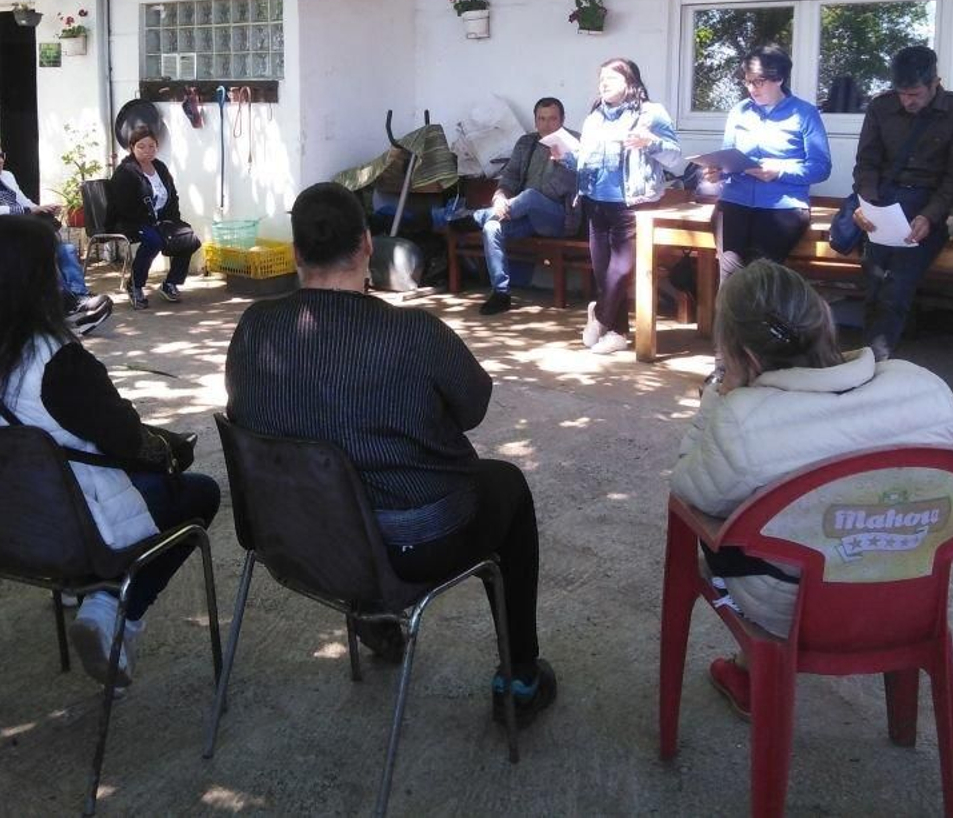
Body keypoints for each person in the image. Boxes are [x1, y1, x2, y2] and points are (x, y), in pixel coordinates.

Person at [225, 181, 557, 725]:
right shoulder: (412, 333)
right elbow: (472, 406)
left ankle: (374, 618)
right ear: (365, 247)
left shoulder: (253, 327)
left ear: (295, 252)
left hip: (288, 534)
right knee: (507, 487)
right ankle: (519, 676)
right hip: (405, 545)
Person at [0, 214, 221, 688]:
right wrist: (166, 450)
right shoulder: (54, 359)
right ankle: (114, 613)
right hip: (67, 530)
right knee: (197, 492)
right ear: (37, 279)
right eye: (56, 263)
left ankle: (96, 599)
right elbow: (124, 440)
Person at [669, 259, 953, 718]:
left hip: (794, 609)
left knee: (731, 521)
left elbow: (690, 489)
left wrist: (717, 395)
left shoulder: (743, 421)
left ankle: (754, 667)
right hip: (919, 592)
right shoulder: (923, 386)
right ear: (823, 323)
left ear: (745, 357)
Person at [851, 46, 953, 360]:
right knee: (874, 284)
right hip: (882, 202)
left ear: (936, 82)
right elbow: (866, 162)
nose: (908, 101)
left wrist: (931, 216)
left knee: (896, 287)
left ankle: (874, 360)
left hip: (926, 203)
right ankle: (871, 358)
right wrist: (866, 203)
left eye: (915, 93)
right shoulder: (881, 107)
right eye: (902, 93)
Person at [550, 58, 684, 355]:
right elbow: (585, 161)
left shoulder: (651, 113)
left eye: (611, 78)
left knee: (621, 271)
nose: (604, 84)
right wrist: (566, 157)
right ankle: (617, 333)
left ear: (630, 81)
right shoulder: (595, 117)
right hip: (596, 204)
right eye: (601, 80)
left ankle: (599, 316)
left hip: (635, 204)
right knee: (603, 272)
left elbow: (677, 159)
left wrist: (651, 143)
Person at [705, 44, 831, 286]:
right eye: (747, 82)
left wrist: (780, 171)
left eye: (759, 82)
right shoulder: (739, 112)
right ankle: (725, 325)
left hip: (783, 208)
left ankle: (758, 325)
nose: (752, 88)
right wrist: (717, 172)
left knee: (759, 278)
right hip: (735, 201)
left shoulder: (804, 113)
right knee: (729, 278)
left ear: (779, 78)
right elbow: (728, 157)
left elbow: (821, 167)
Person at [466, 97, 581, 316]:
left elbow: (559, 187)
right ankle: (501, 293)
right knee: (492, 228)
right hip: (523, 216)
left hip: (558, 218)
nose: (547, 124)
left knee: (531, 196)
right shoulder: (526, 143)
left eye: (553, 118)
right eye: (542, 119)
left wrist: (515, 204)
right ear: (535, 121)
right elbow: (509, 177)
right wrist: (500, 198)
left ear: (563, 119)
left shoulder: (574, 143)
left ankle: (476, 216)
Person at [0, 136, 99, 306]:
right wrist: (28, 210)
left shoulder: (6, 177)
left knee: (65, 249)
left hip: (13, 237)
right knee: (41, 250)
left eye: (2, 156)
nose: (0, 161)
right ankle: (65, 302)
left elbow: (25, 202)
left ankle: (79, 295)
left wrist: (43, 208)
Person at [108, 126, 200, 307]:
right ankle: (135, 285)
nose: (147, 151)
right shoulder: (126, 172)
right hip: (132, 221)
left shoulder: (160, 167)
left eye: (152, 146)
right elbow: (123, 206)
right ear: (132, 148)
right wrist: (151, 223)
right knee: (154, 241)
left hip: (160, 220)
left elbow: (172, 196)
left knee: (187, 238)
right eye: (141, 146)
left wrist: (173, 221)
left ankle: (170, 283)